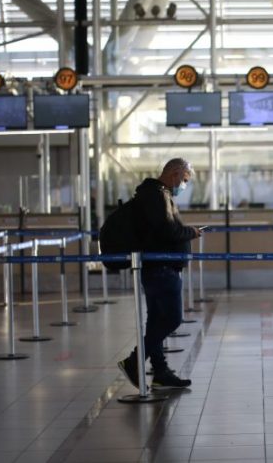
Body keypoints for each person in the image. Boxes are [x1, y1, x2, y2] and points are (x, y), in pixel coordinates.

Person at [118, 158, 203, 389]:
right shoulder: (157, 196)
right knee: (172, 318)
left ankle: (160, 371)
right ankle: (134, 361)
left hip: (157, 268)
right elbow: (169, 230)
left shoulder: (156, 194)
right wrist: (192, 232)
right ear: (174, 173)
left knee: (156, 320)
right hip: (161, 268)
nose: (183, 186)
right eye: (184, 180)